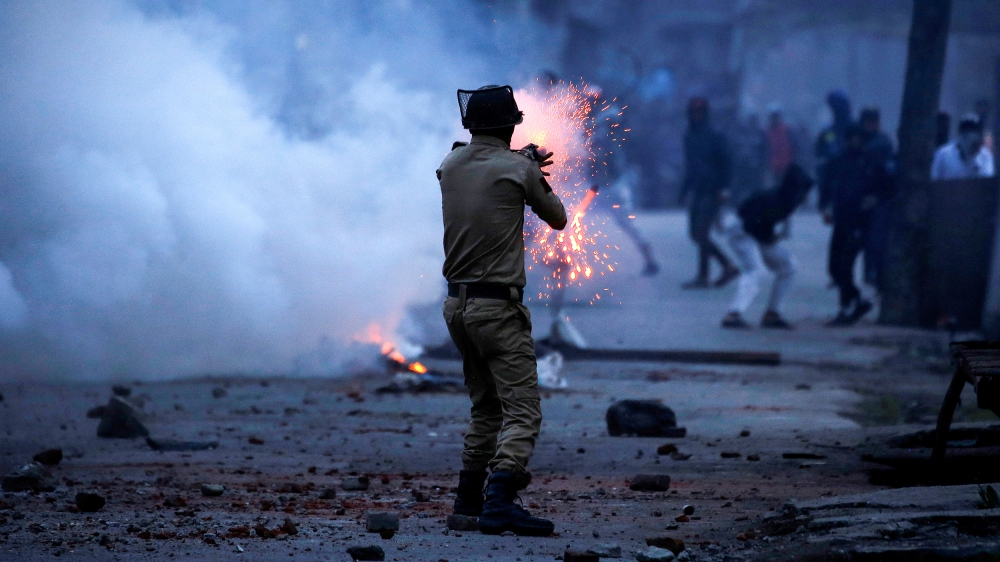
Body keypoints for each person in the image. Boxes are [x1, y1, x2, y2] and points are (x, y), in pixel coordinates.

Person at [437, 85, 566, 536]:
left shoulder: (450, 165)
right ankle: (500, 502)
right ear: (511, 125)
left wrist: (520, 162)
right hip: (497, 310)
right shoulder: (518, 168)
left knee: (485, 408)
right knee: (523, 411)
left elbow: (479, 165)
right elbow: (558, 217)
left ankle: (467, 502)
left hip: (457, 306)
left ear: (471, 125)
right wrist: (530, 167)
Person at [721, 165, 814, 329]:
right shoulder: (779, 200)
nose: (807, 196)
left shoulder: (786, 198)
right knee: (756, 270)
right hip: (741, 231)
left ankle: (772, 314)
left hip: (753, 231)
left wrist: (768, 235)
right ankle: (733, 314)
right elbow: (751, 224)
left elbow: (761, 223)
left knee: (788, 266)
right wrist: (769, 237)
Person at [821, 124, 894, 326]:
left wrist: (875, 198)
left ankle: (846, 308)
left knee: (845, 264)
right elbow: (826, 184)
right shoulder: (839, 160)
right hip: (841, 218)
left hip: (861, 221)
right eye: (851, 138)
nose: (855, 142)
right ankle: (858, 301)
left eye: (858, 139)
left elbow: (888, 186)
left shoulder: (872, 161)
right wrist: (824, 205)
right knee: (834, 267)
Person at [678, 97, 739, 289]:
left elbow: (727, 164)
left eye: (701, 112)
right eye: (694, 112)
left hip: (713, 191)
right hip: (698, 190)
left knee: (701, 233)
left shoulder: (715, 136)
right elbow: (690, 167)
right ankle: (709, 274)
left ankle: (724, 266)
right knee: (695, 234)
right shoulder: (689, 137)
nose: (697, 115)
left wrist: (725, 188)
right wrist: (684, 191)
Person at [857, 107, 895, 290]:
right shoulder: (859, 141)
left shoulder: (882, 144)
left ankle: (875, 277)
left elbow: (887, 175)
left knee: (876, 241)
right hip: (860, 200)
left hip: (879, 200)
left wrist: (877, 196)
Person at [931, 113, 995, 180]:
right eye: (966, 131)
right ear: (960, 133)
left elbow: (987, 182)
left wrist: (975, 157)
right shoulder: (943, 154)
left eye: (974, 131)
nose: (970, 136)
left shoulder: (985, 155)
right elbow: (934, 181)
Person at [731, 113, 768, 204]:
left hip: (755, 169)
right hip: (742, 168)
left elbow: (765, 152)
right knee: (739, 188)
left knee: (755, 189)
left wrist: (763, 167)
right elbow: (734, 151)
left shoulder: (760, 134)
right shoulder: (740, 134)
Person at [766, 107, 796, 182]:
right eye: (773, 117)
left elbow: (794, 147)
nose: (774, 119)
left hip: (786, 166)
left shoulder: (787, 130)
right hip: (772, 167)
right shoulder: (766, 132)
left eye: (776, 116)